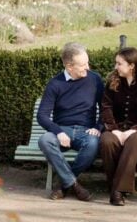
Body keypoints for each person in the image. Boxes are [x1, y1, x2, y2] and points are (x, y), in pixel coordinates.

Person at [37, 42, 104, 202]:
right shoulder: (55, 84)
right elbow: (42, 115)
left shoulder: (95, 79)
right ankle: (75, 186)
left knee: (93, 144)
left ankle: (63, 185)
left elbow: (105, 108)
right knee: (45, 140)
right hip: (62, 130)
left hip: (86, 131)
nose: (87, 67)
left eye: (87, 62)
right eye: (82, 65)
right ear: (69, 66)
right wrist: (58, 132)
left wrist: (98, 127)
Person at [98, 47, 137, 206]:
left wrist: (134, 130)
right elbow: (106, 107)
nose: (115, 67)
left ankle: (116, 191)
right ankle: (115, 187)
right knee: (107, 141)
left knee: (134, 141)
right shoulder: (112, 82)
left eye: (119, 63)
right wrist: (114, 129)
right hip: (115, 128)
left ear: (132, 65)